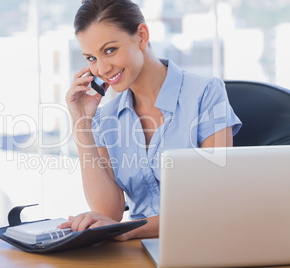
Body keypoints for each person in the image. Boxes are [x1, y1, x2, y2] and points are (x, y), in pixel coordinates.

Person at [59, 0, 242, 241]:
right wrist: (82, 124)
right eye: (91, 58)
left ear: (142, 36)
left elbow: (213, 202)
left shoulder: (205, 93)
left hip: (201, 243)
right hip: (138, 250)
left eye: (110, 50)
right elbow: (107, 213)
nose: (102, 68)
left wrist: (131, 230)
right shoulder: (106, 118)